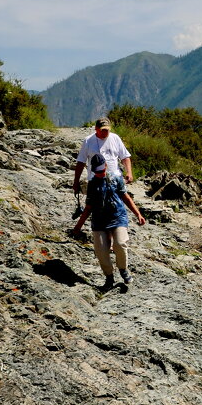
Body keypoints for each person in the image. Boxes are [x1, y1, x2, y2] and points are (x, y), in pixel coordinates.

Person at [71, 153, 146, 290]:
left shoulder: (116, 179)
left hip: (118, 217)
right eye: (98, 172)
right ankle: (109, 277)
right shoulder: (92, 185)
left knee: (120, 243)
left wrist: (138, 214)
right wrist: (78, 227)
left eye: (103, 170)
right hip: (99, 220)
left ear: (106, 166)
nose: (100, 174)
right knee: (100, 250)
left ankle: (123, 269)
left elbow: (126, 198)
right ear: (94, 171)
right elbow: (88, 208)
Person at [74, 117, 133, 193]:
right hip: (95, 180)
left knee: (118, 203)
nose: (105, 132)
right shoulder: (88, 141)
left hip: (115, 178)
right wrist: (76, 181)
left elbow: (125, 156)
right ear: (96, 129)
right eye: (102, 130)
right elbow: (81, 162)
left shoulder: (115, 138)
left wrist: (129, 172)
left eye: (107, 130)